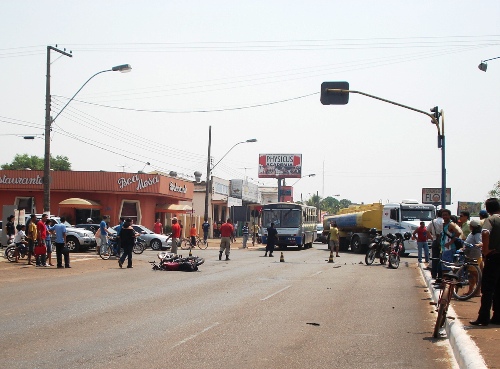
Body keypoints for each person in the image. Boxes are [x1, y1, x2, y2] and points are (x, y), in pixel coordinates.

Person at [470, 198, 500, 326]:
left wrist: (486, 250)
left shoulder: (491, 219)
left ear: (487, 209)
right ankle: (498, 317)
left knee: (487, 288)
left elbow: (486, 232)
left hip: (494, 257)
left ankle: (483, 318)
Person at [438, 209, 462, 280]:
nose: (444, 216)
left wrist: (450, 242)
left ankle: (446, 284)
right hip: (444, 248)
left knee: (446, 267)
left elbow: (459, 232)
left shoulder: (451, 224)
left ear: (449, 215)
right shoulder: (444, 224)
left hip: (449, 248)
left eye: (446, 215)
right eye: (443, 215)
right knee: (444, 266)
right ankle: (445, 283)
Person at [427, 209, 443, 281]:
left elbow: (427, 231)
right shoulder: (444, 222)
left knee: (434, 258)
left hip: (435, 240)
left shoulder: (433, 221)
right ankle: (440, 275)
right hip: (444, 241)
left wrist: (432, 238)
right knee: (442, 259)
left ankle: (434, 274)